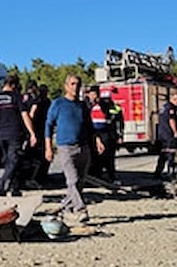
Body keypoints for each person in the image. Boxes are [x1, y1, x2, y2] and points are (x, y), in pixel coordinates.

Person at [45, 74, 95, 224]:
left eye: (77, 84)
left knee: (79, 182)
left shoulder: (82, 106)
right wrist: (48, 147)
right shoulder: (58, 103)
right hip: (65, 147)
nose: (75, 87)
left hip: (83, 147)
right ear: (66, 86)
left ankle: (65, 207)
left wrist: (96, 141)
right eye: (72, 84)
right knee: (72, 180)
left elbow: (89, 126)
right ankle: (81, 210)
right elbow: (48, 125)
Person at [0, 74, 36, 196]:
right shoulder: (15, 97)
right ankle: (1, 186)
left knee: (10, 161)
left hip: (0, 133)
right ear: (14, 85)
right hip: (14, 132)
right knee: (14, 160)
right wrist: (32, 133)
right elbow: (24, 115)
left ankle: (15, 188)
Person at [87, 85, 122, 184]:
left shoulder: (111, 108)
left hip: (108, 135)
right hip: (101, 135)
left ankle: (109, 176)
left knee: (107, 158)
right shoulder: (95, 108)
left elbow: (119, 122)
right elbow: (95, 124)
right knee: (100, 158)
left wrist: (119, 135)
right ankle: (101, 176)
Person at [23, 82, 51, 187]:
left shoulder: (24, 98)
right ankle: (36, 178)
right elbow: (32, 114)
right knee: (38, 156)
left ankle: (31, 177)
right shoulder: (38, 101)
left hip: (32, 130)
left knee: (30, 156)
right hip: (39, 130)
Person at [153, 90, 177, 179]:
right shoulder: (171, 108)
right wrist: (175, 132)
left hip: (161, 134)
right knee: (171, 154)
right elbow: (171, 120)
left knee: (163, 154)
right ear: (173, 99)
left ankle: (158, 172)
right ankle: (170, 172)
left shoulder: (164, 107)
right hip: (169, 134)